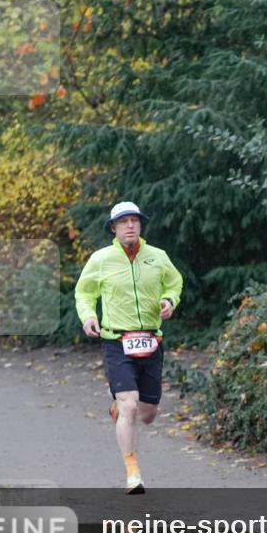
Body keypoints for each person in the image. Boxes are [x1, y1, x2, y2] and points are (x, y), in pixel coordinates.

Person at [75, 202, 183, 494]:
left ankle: (117, 409)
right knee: (129, 405)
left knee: (146, 414)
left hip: (151, 340)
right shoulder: (101, 260)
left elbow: (174, 283)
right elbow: (84, 293)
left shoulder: (157, 257)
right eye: (123, 222)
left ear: (141, 224)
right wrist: (88, 316)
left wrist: (169, 301)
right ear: (113, 227)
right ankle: (133, 473)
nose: (130, 226)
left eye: (134, 220)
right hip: (116, 341)